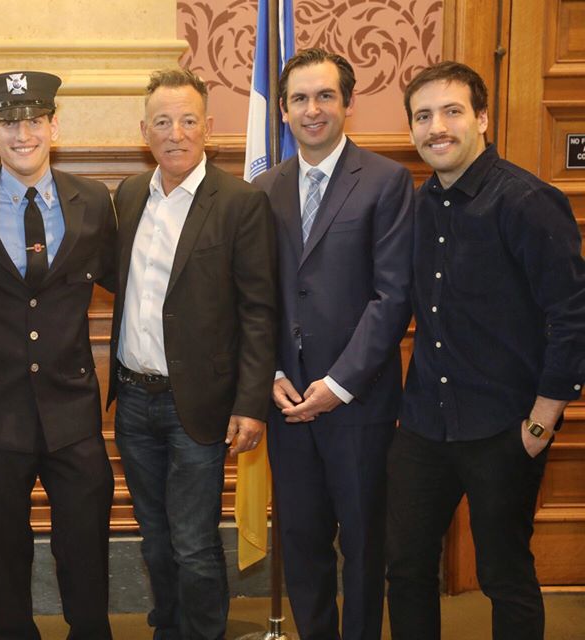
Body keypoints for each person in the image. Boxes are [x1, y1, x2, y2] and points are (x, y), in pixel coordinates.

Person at [386, 61, 585, 640]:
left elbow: (572, 317)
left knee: (504, 575)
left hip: (505, 427)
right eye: (423, 116)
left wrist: (542, 422)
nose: (436, 127)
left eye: (451, 111)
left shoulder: (528, 201)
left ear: (482, 119)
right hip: (424, 426)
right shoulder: (416, 206)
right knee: (406, 570)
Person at [107, 67, 278, 640]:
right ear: (144, 132)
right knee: (154, 539)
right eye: (162, 122)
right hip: (134, 401)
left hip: (199, 406)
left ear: (208, 126)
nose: (175, 133)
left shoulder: (240, 202)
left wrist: (250, 404)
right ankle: (168, 628)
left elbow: (259, 311)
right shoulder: (130, 195)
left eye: (187, 120)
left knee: (194, 543)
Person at [252, 48, 414, 640]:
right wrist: (272, 373)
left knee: (365, 544)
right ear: (284, 111)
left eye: (325, 96)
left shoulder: (387, 181)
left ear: (348, 103)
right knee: (301, 542)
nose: (312, 109)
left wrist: (338, 384)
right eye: (299, 99)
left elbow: (393, 296)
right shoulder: (263, 189)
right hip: (288, 401)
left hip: (358, 403)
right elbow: (255, 295)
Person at [0, 71, 116, 639]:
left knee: (86, 543)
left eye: (34, 121)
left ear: (54, 126)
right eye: (8, 123)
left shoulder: (92, 200)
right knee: (2, 547)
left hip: (72, 407)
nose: (23, 134)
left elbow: (129, 281)